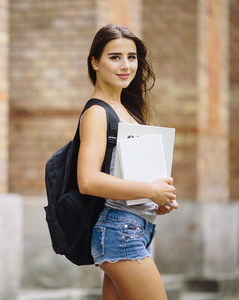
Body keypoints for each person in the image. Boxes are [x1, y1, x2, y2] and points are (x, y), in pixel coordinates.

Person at [77, 24, 178, 300]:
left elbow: (125, 176)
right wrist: (149, 191)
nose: (126, 65)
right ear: (95, 62)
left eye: (131, 57)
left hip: (137, 227)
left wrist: (158, 198)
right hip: (120, 232)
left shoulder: (126, 110)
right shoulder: (98, 112)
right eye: (115, 57)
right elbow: (87, 180)